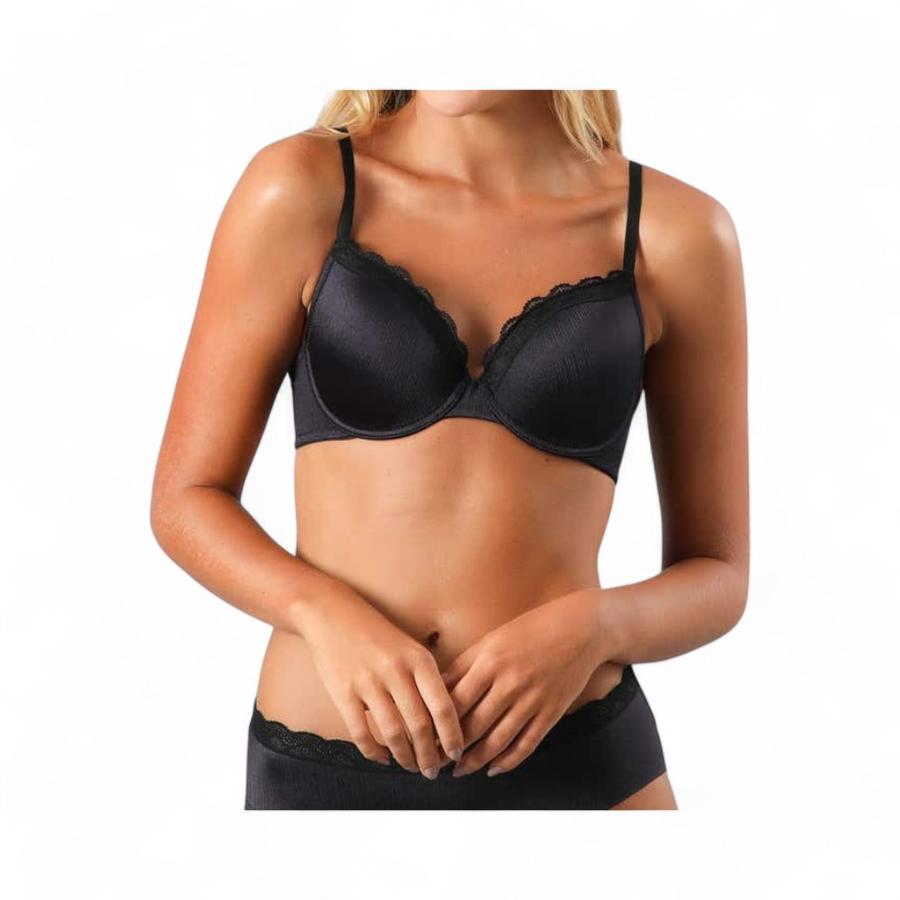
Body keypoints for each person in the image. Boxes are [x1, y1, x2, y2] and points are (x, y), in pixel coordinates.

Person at [150, 90, 749, 809]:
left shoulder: (672, 233)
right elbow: (186, 499)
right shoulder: (303, 189)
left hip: (583, 762)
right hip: (321, 772)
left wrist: (594, 628)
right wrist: (321, 612)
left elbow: (719, 573)